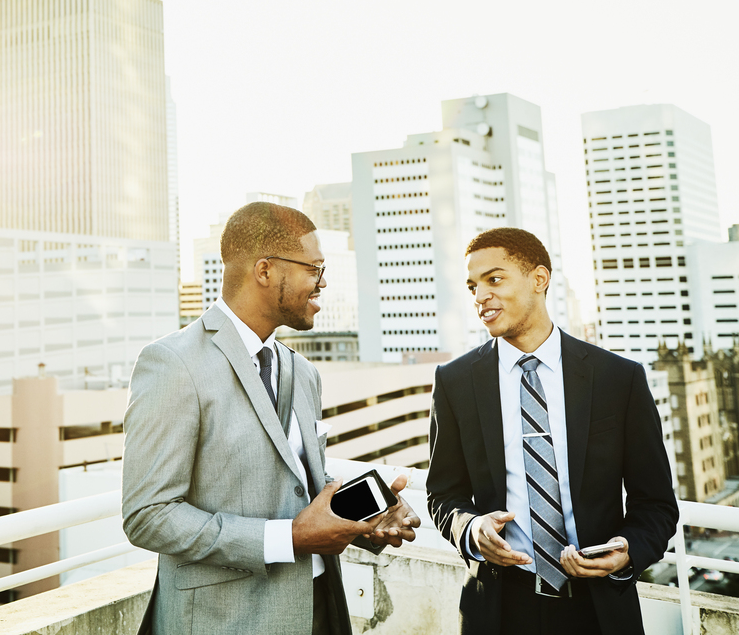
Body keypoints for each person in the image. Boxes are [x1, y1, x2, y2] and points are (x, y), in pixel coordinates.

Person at [123, 202, 420, 635]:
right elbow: (148, 515)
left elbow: (295, 489)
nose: (323, 283)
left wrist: (361, 524)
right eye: (314, 269)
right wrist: (290, 538)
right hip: (225, 622)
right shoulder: (172, 364)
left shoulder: (304, 372)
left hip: (320, 612)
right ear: (264, 271)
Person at [427, 228, 679, 635]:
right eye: (473, 286)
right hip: (499, 608)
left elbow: (656, 504)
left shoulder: (618, 377)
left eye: (494, 279)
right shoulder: (455, 381)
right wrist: (471, 529)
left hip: (598, 611)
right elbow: (443, 495)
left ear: (539, 279)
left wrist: (627, 552)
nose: (480, 296)